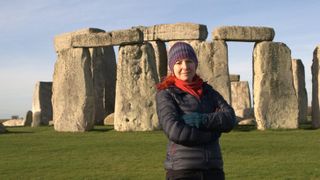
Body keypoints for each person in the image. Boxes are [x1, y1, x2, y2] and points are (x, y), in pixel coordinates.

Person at [156, 42, 237, 180]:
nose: (185, 67)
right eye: (179, 62)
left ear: (195, 64)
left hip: (213, 169)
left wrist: (201, 120)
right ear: (172, 67)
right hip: (183, 170)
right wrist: (214, 132)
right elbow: (175, 131)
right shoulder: (166, 93)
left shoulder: (208, 91)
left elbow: (229, 118)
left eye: (189, 61)